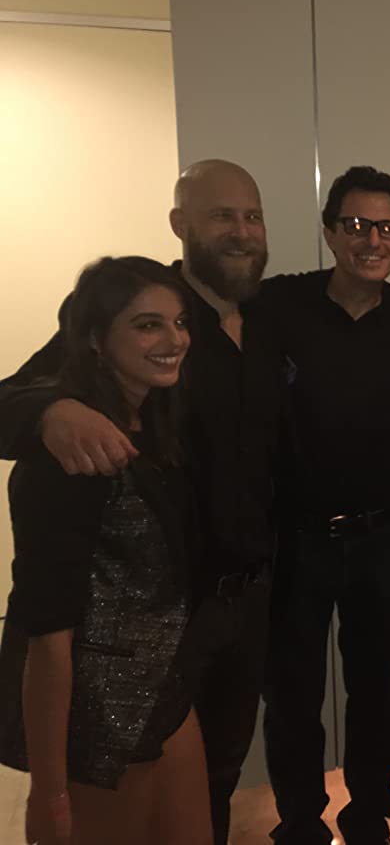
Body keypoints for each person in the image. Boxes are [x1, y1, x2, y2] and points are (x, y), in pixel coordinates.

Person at [0, 160, 284, 844]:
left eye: (252, 216)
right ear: (180, 224)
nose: (241, 231)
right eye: (222, 216)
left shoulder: (272, 317)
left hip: (249, 601)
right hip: (152, 634)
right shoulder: (130, 309)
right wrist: (52, 412)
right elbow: (9, 396)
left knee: (217, 778)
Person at [0, 257, 209, 845]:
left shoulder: (155, 422)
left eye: (180, 322)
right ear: (95, 338)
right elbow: (47, 631)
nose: (174, 340)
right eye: (148, 325)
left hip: (167, 689)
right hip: (97, 713)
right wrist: (49, 791)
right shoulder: (72, 450)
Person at [258, 167, 390, 845]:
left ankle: (368, 812)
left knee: (377, 686)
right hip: (295, 538)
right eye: (356, 225)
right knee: (291, 692)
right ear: (329, 232)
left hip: (381, 534)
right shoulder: (279, 304)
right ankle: (300, 821)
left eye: (387, 228)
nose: (372, 241)